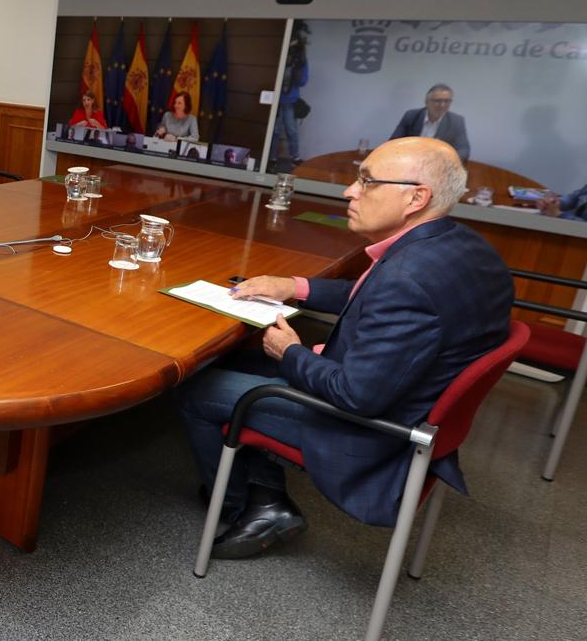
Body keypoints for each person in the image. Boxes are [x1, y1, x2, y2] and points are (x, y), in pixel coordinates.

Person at [177, 137, 512, 560]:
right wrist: (294, 286)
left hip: (371, 431)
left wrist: (292, 353)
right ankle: (265, 493)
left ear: (416, 197)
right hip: (412, 400)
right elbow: (371, 295)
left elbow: (357, 395)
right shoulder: (458, 246)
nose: (349, 191)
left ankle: (242, 506)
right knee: (242, 360)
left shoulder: (407, 280)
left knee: (196, 389)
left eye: (367, 182)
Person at [391, 83, 470, 162]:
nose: (442, 105)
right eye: (438, 101)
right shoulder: (411, 115)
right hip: (409, 160)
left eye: (447, 101)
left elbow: (464, 150)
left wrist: (446, 161)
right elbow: (393, 141)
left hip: (437, 164)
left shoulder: (456, 121)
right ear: (427, 102)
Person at [271, 21, 309, 165]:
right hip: (275, 100)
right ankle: (272, 158)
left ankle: (295, 157)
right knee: (274, 132)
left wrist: (296, 71)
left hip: (290, 101)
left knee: (291, 131)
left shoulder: (301, 59)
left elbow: (303, 81)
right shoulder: (277, 54)